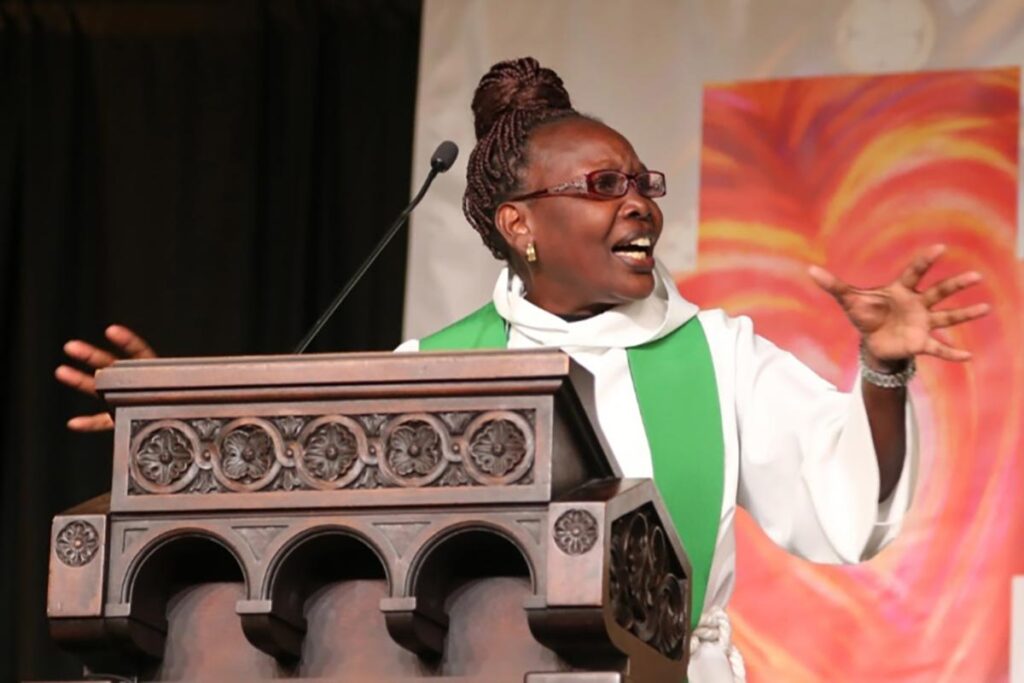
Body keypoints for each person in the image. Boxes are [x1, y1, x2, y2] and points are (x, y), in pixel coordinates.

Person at [57, 58, 989, 682]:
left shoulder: (714, 353)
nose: (639, 207)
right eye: (601, 187)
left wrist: (880, 371)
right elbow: (324, 534)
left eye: (641, 183)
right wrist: (182, 429)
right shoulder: (433, 370)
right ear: (519, 224)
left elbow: (844, 503)